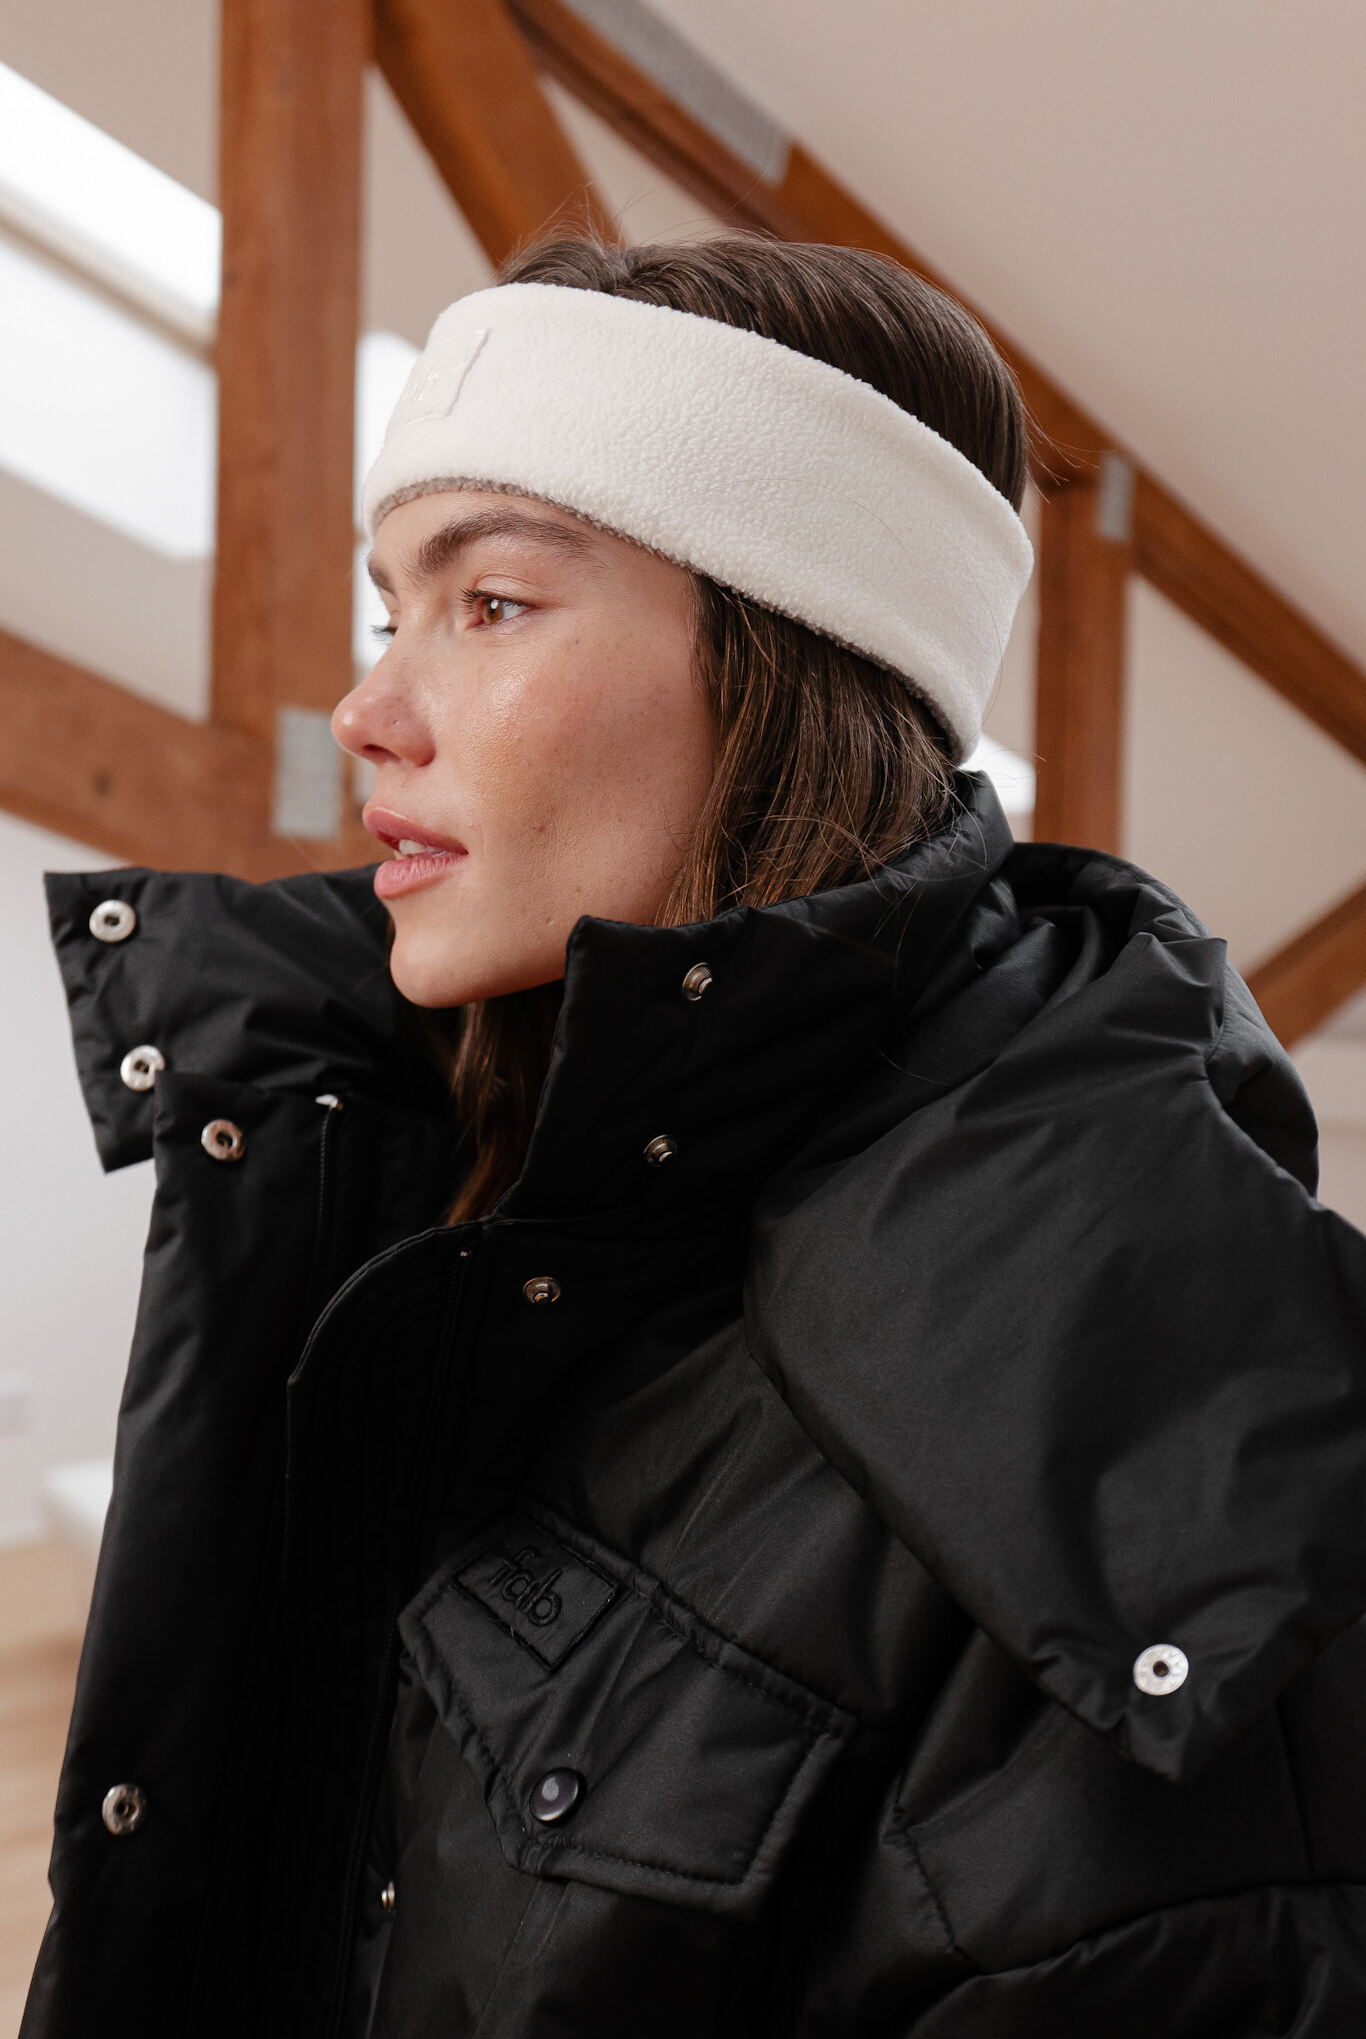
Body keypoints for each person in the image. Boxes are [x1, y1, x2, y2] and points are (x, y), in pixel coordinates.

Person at [23, 235, 1366, 2039]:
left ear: (792, 669)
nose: (366, 712)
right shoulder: (418, 1157)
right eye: (390, 614)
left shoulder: (1122, 1486)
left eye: (494, 603)